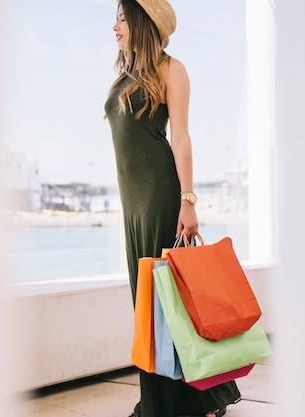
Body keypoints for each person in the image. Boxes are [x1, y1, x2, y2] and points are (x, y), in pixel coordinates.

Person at [104, 1, 242, 416]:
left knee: (169, 306)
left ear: (143, 24)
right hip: (134, 206)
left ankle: (178, 403)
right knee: (150, 306)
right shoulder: (126, 75)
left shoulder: (171, 70)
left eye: (123, 19)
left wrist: (188, 200)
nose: (115, 27)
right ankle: (171, 399)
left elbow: (179, 139)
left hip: (161, 198)